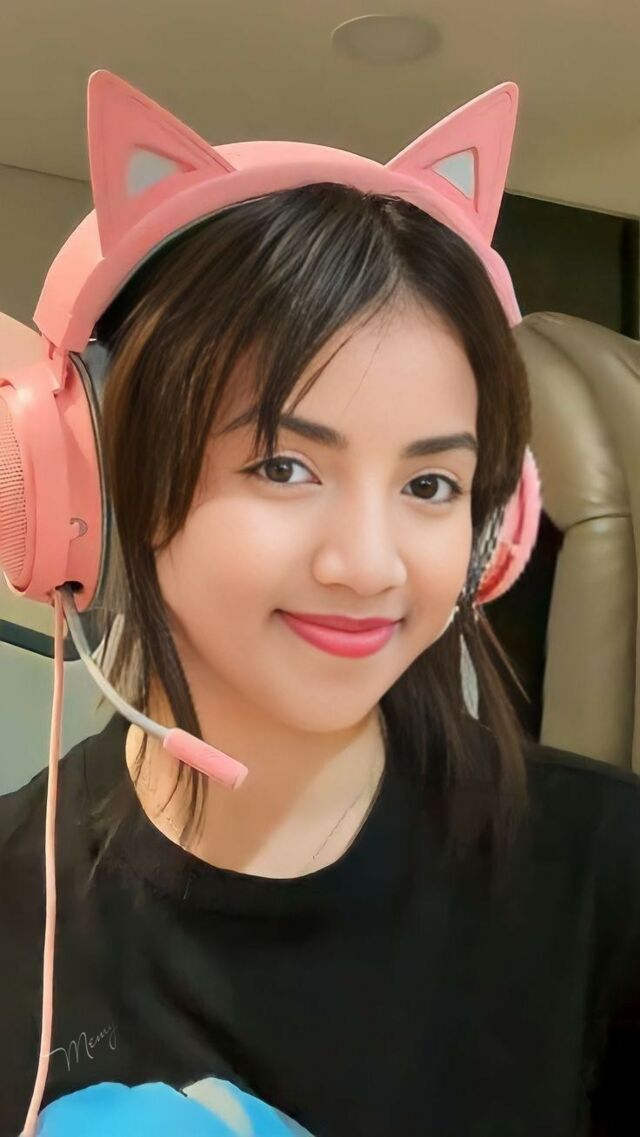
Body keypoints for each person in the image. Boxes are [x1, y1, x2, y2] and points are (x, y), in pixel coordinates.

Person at [1, 71, 639, 1137]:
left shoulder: (605, 876)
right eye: (284, 467)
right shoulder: (16, 899)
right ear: (104, 490)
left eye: (430, 484)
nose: (370, 564)